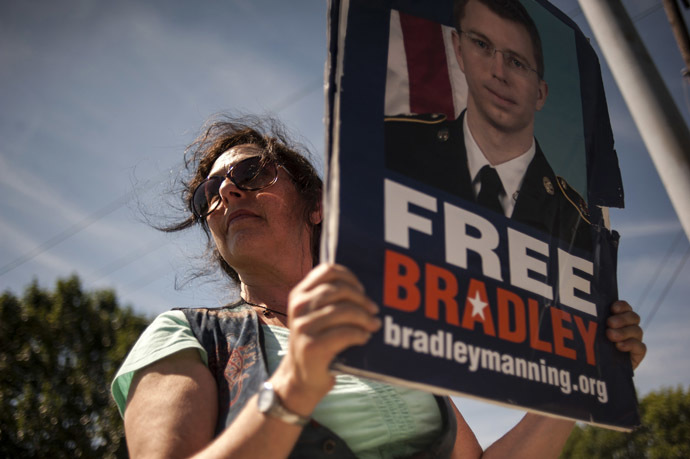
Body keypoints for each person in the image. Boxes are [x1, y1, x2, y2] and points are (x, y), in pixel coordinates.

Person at [111, 115, 646, 458]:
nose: (226, 191)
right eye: (209, 192)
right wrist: (296, 384)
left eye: (250, 172)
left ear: (316, 204)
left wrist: (584, 380)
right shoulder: (189, 336)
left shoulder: (389, 337)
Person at [385, 0, 593, 251]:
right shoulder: (393, 148)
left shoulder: (575, 224)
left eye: (516, 62)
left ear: (540, 94)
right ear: (459, 51)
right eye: (482, 45)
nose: (498, 72)